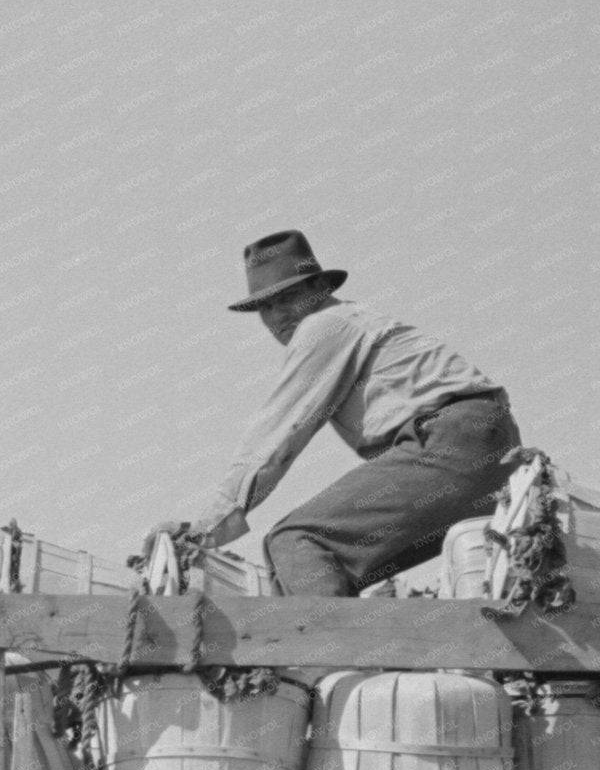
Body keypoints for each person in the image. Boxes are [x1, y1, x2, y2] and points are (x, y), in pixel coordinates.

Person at [152, 229, 521, 597]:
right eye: (266, 306)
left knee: (299, 542)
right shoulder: (351, 322)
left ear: (318, 290)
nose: (278, 315)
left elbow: (275, 441)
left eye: (289, 298)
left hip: (453, 443)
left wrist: (202, 532)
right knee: (322, 571)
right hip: (486, 455)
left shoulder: (323, 326)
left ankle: (328, 653)